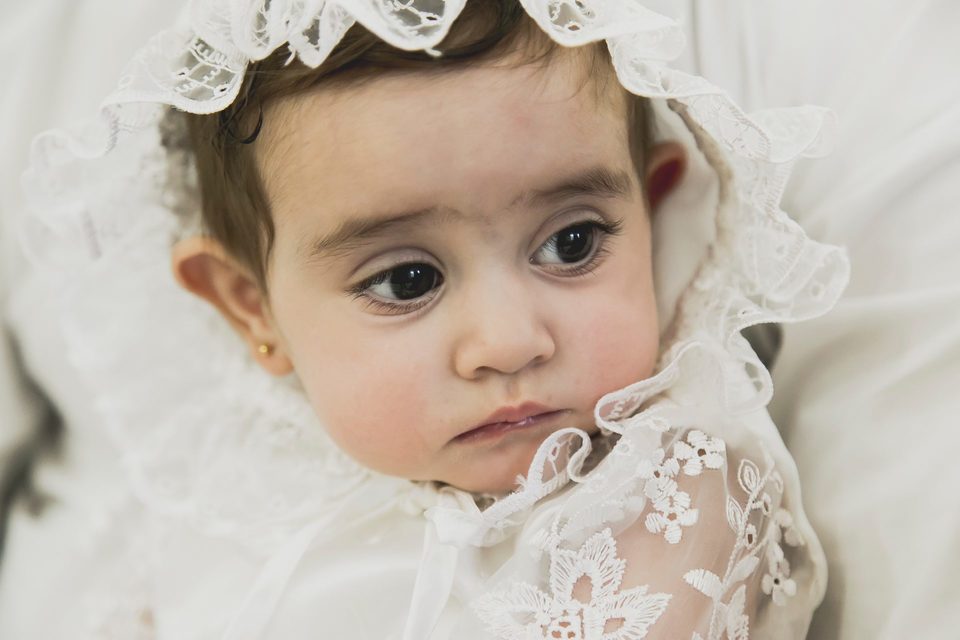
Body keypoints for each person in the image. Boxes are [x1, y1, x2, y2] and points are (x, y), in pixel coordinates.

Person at [0, 1, 849, 637]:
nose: (508, 342)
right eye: (408, 280)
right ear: (250, 306)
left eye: (573, 242)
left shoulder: (677, 484)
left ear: (651, 215)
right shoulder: (236, 490)